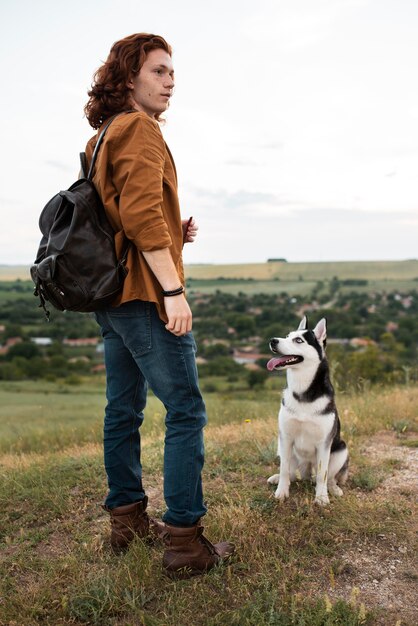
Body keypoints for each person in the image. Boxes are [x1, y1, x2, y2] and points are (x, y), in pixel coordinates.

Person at [83, 33, 234, 577]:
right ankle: (185, 542)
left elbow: (123, 216)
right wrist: (173, 289)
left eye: (173, 73)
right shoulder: (141, 130)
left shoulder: (104, 135)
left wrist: (175, 230)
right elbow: (142, 218)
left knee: (122, 410)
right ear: (129, 79)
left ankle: (126, 521)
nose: (171, 81)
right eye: (159, 71)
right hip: (145, 296)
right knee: (186, 410)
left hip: (111, 297)